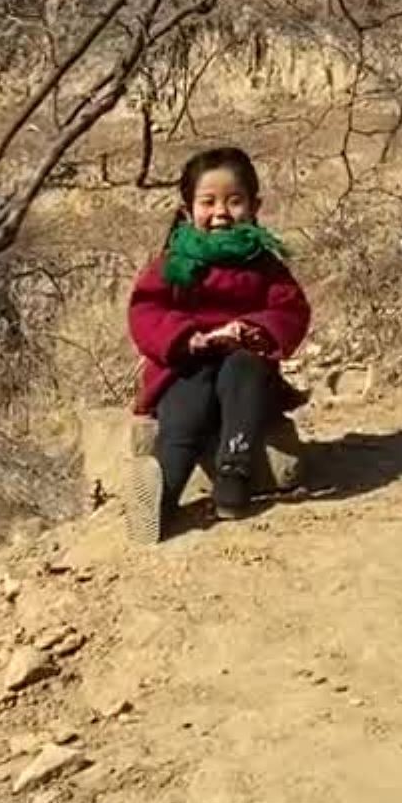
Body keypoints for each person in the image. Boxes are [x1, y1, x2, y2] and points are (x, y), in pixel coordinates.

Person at [126, 145, 310, 542]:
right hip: (187, 365)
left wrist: (252, 329)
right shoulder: (174, 263)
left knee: (244, 369)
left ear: (255, 204)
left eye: (234, 201)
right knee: (186, 412)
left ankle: (234, 473)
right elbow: (146, 312)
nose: (221, 213)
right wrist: (188, 337)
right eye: (208, 202)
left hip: (245, 368)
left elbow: (291, 310)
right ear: (188, 207)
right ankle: (160, 495)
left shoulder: (264, 263)